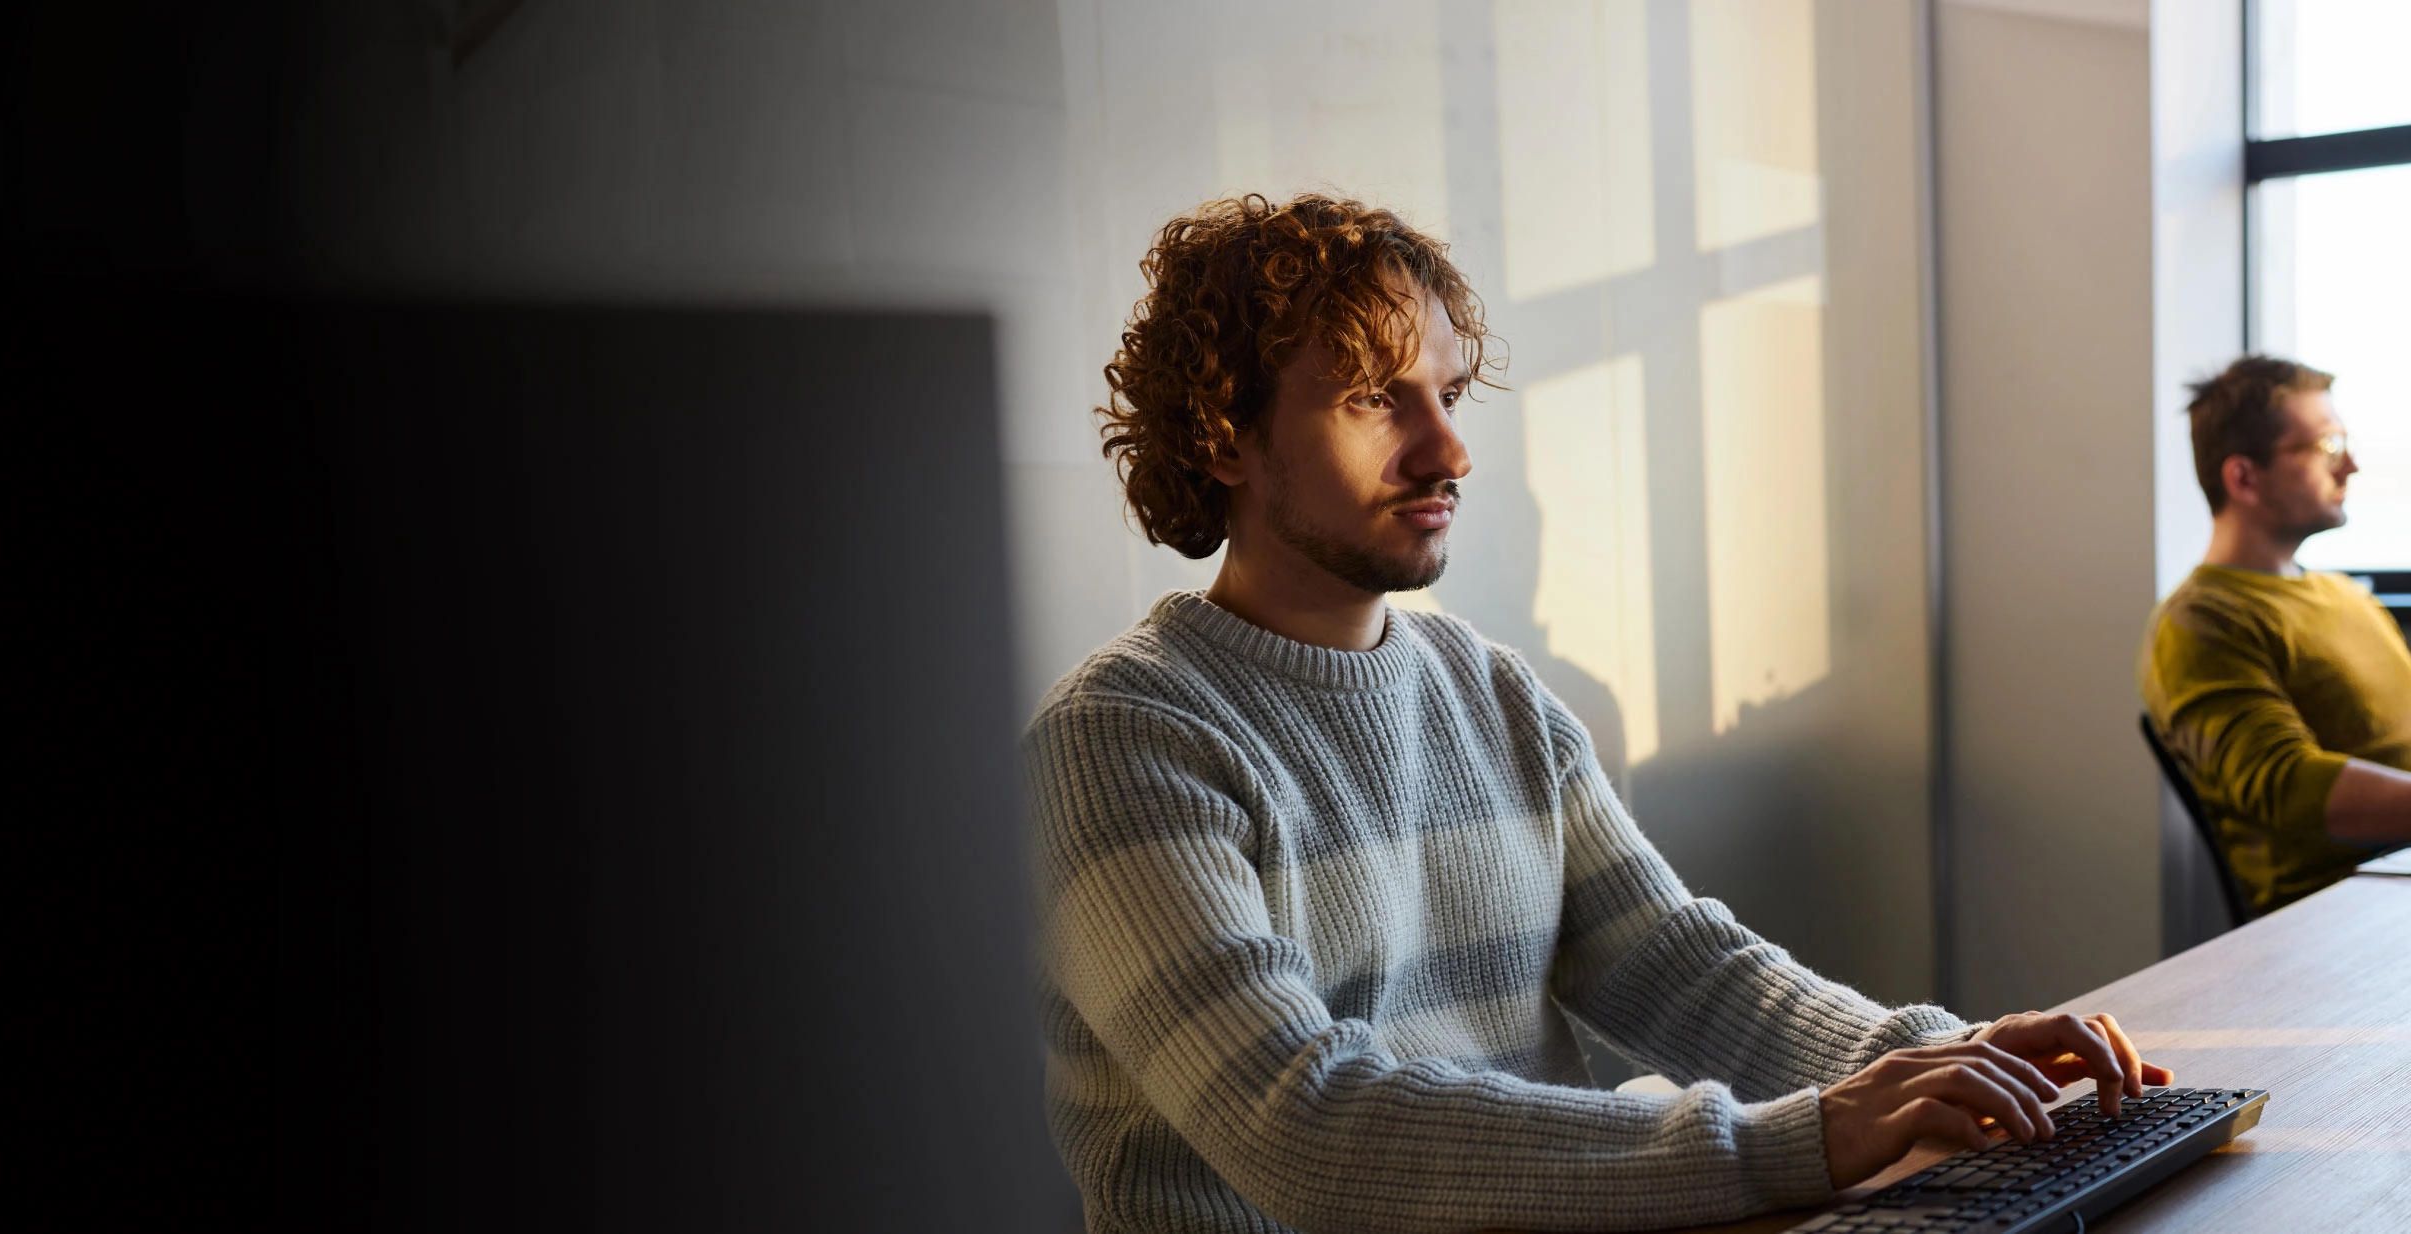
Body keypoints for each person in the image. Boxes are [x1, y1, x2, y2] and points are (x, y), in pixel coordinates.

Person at [1024, 194, 2171, 1233]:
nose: (1449, 450)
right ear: (1225, 433)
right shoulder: (1121, 739)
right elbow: (1309, 1127)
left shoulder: (1487, 687)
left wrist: (1931, 1059)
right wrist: (1803, 1136)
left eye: (1451, 395)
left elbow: (1676, 964)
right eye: (1378, 400)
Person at [2142, 355, 2411, 915]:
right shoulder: (2200, 621)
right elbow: (2287, 786)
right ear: (2243, 477)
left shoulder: (2343, 595)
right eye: (2328, 447)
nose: (2352, 466)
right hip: (2348, 915)